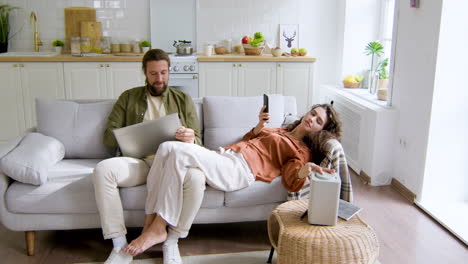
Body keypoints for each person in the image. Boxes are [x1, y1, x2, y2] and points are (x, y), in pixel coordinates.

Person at [122, 103, 342, 264]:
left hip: (239, 170)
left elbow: (292, 178)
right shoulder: (280, 130)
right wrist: (259, 126)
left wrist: (306, 170)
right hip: (226, 156)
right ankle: (149, 223)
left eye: (318, 121)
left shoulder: (301, 150)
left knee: (176, 151)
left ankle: (159, 227)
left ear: (320, 130)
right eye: (313, 113)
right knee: (166, 148)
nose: (311, 119)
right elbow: (247, 140)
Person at [92, 49, 203, 264]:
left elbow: (198, 140)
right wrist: (132, 136)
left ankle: (171, 241)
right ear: (144, 72)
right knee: (103, 171)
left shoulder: (183, 99)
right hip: (138, 161)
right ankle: (118, 245)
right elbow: (108, 136)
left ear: (169, 71)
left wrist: (190, 138)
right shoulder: (128, 97)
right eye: (153, 74)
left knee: (197, 179)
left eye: (163, 72)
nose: (159, 79)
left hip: (173, 165)